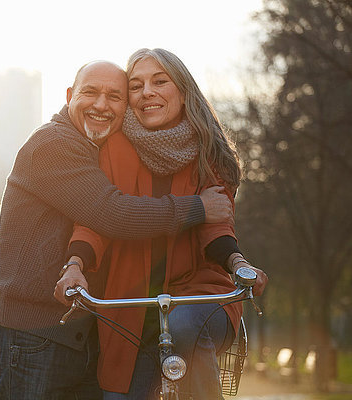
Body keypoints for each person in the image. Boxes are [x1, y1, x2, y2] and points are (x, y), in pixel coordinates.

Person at [0, 60, 235, 399]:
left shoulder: (103, 150)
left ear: (127, 108)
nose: (101, 105)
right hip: (33, 335)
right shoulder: (53, 144)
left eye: (115, 97)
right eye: (90, 93)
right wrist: (198, 207)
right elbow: (111, 213)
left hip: (80, 331)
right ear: (69, 95)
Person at [54, 49, 269, 399]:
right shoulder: (114, 149)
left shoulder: (209, 153)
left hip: (200, 294)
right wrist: (75, 265)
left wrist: (238, 263)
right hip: (131, 303)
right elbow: (97, 218)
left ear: (182, 91)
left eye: (159, 81)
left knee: (184, 326)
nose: (147, 92)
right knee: (120, 393)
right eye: (136, 86)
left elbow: (215, 225)